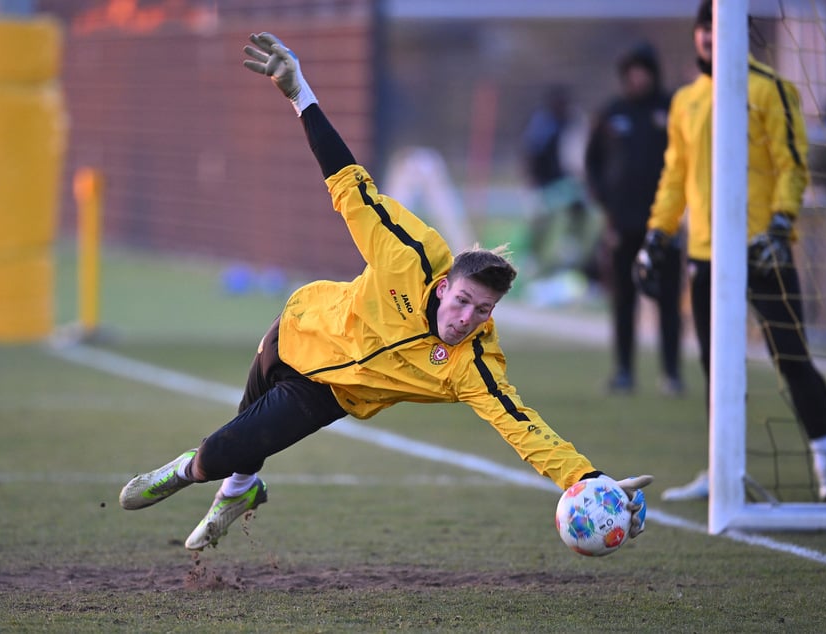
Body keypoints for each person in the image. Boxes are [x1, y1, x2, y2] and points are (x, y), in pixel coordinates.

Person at [119, 32, 654, 551]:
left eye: (484, 311)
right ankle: (240, 491)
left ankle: (186, 472)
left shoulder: (474, 365)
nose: (469, 318)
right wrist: (298, 91)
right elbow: (348, 183)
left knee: (220, 449)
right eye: (464, 301)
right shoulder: (410, 253)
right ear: (443, 286)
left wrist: (590, 479)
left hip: (327, 393)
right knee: (244, 438)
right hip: (298, 326)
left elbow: (525, 429)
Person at [639, 0, 826, 502]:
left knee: (791, 358)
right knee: (716, 367)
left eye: (717, 26)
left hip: (761, 252)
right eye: (702, 28)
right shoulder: (686, 100)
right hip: (708, 257)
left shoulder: (769, 88)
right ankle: (721, 470)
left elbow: (793, 163)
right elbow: (674, 177)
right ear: (695, 36)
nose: (710, 36)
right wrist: (657, 234)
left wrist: (780, 225)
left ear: (738, 32)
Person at [585, 42, 683, 396]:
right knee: (623, 299)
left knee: (668, 301)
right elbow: (592, 162)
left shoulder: (672, 109)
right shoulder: (611, 113)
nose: (638, 77)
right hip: (622, 224)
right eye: (632, 71)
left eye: (644, 70)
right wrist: (604, 199)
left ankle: (672, 373)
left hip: (664, 225)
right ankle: (624, 371)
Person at [520, 85, 598, 285]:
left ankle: (570, 253)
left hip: (568, 183)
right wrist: (532, 178)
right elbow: (531, 151)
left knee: (579, 214)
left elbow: (579, 156)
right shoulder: (542, 123)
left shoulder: (574, 122)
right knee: (542, 221)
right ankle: (535, 260)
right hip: (546, 184)